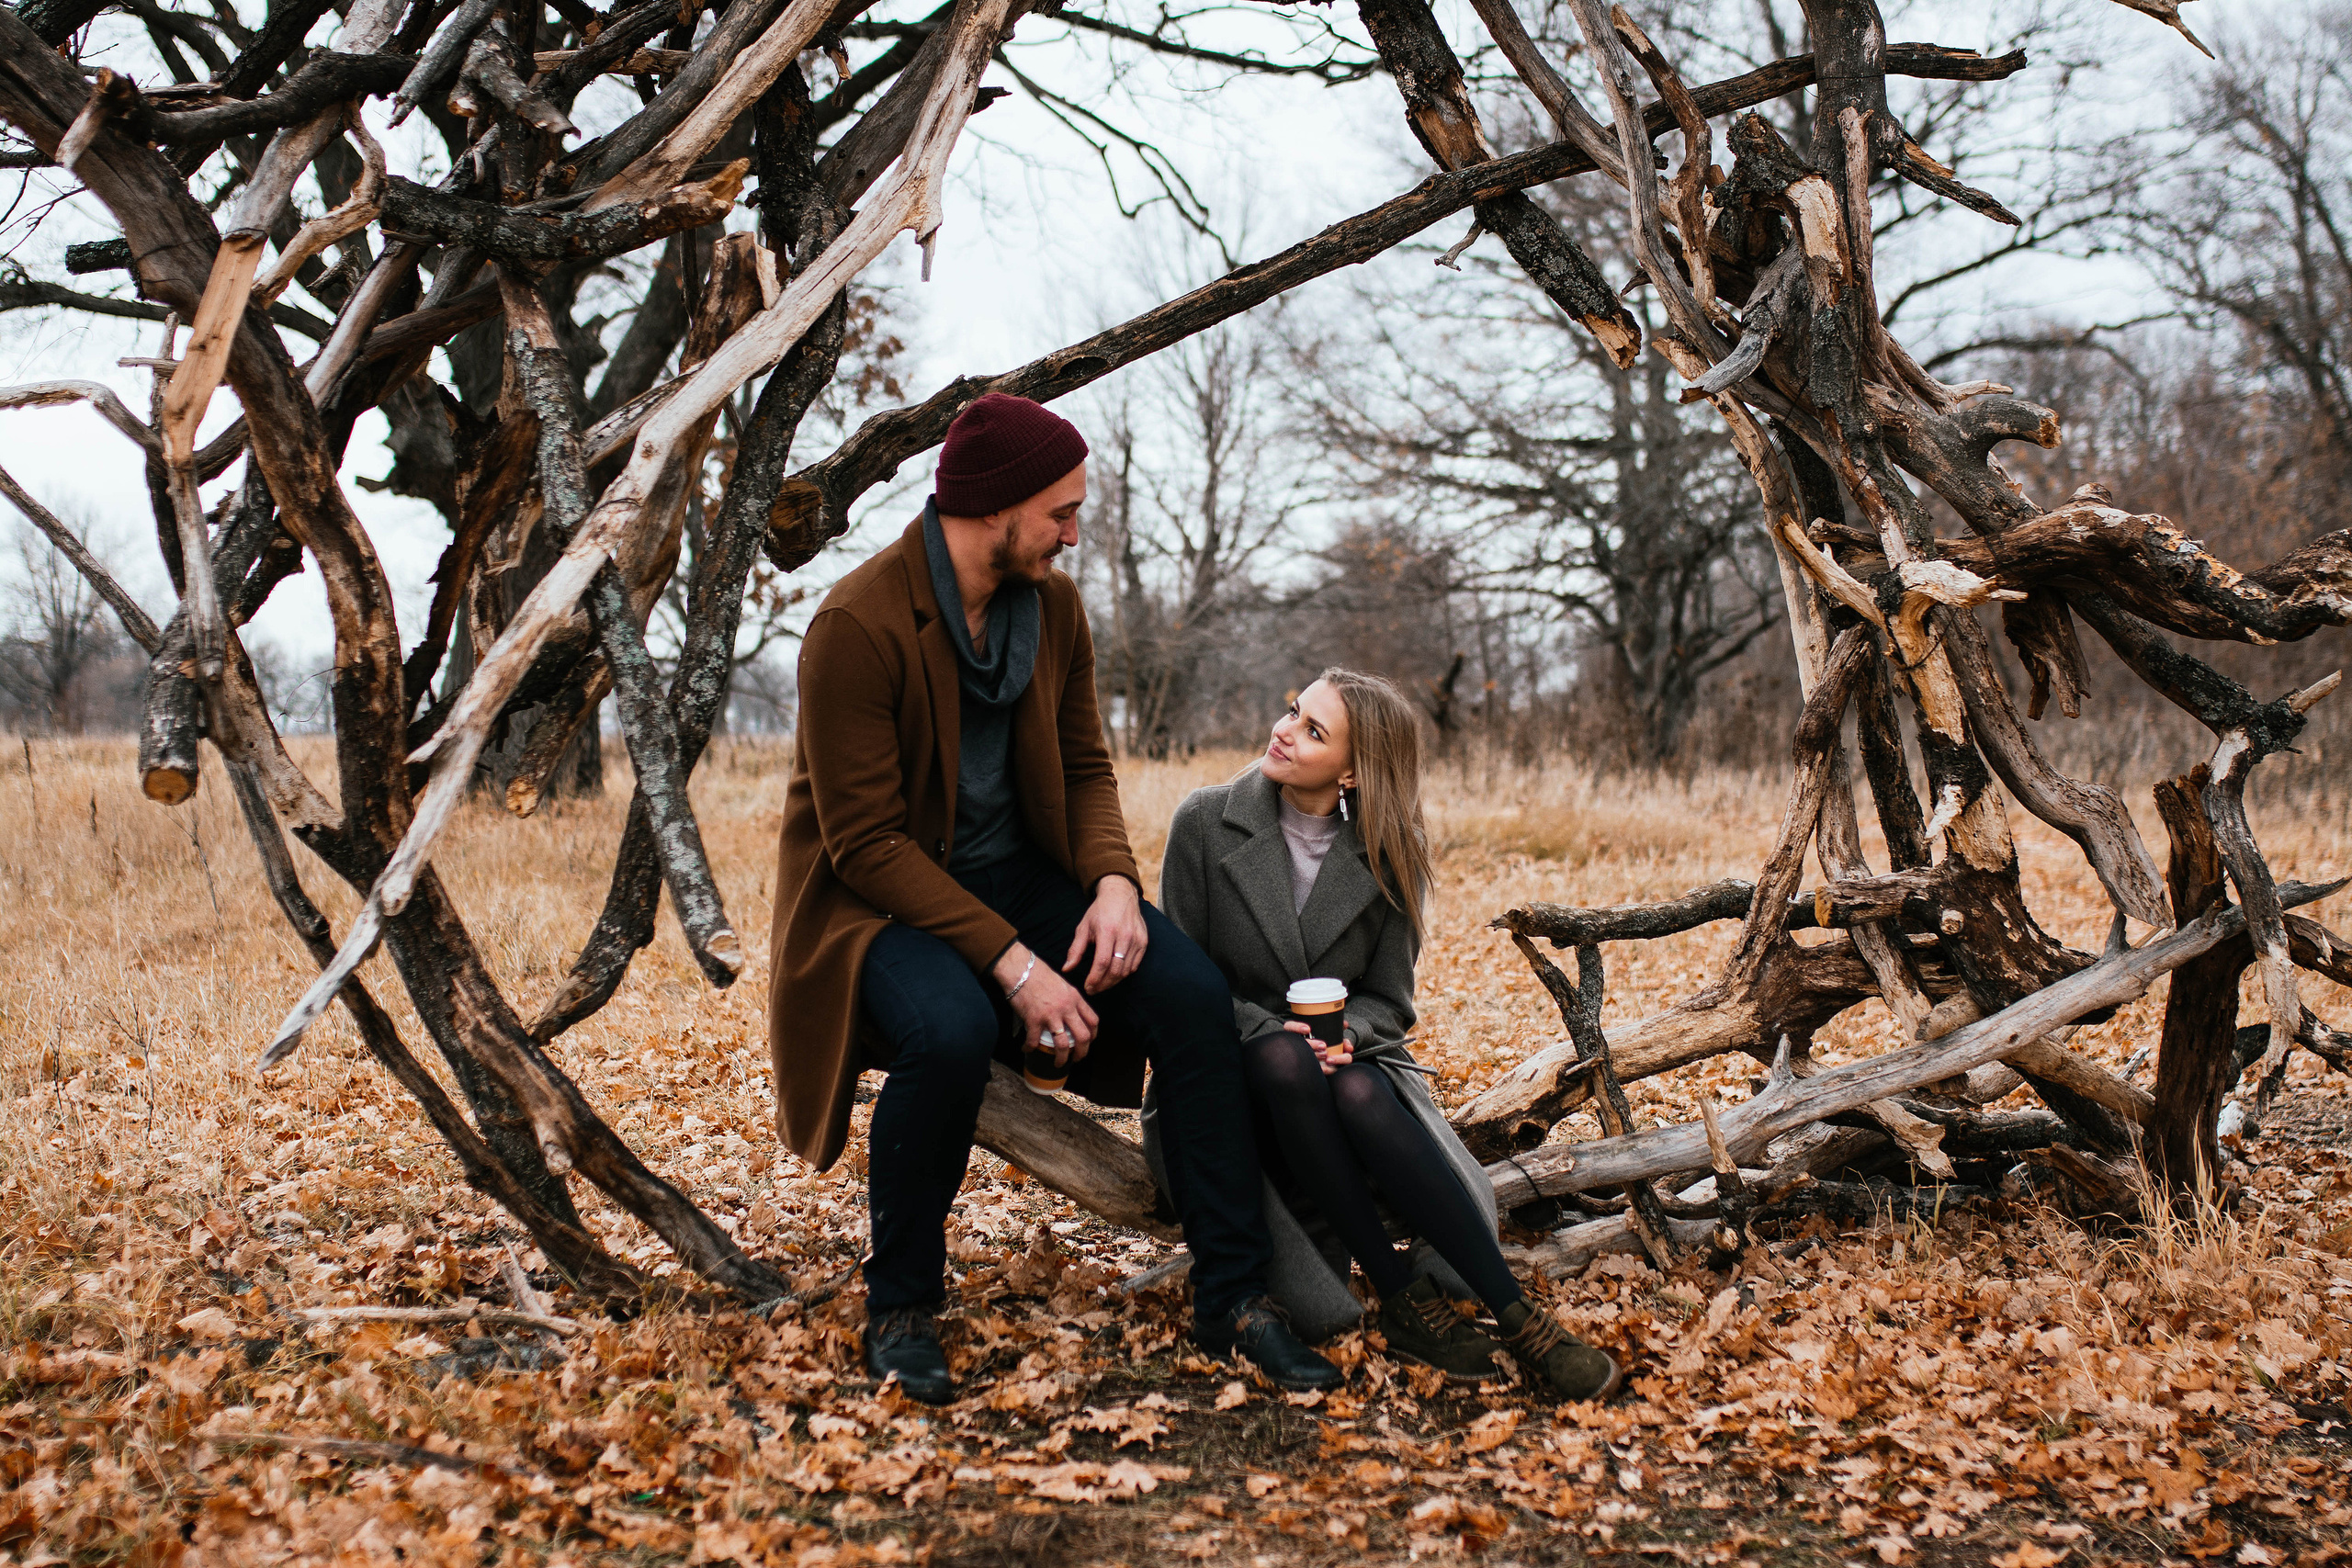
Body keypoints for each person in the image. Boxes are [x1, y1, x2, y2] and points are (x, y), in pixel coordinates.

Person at [765, 393, 1341, 1405]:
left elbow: (1084, 768)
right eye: (1062, 512)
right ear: (994, 506)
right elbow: (865, 843)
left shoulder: (1055, 610)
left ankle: (1234, 1297)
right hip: (879, 909)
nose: (1075, 534)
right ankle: (901, 1307)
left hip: (1021, 880)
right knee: (943, 1033)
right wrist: (1016, 966)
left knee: (1193, 997)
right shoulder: (856, 625)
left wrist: (1114, 885)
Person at [1159, 670, 1621, 1402]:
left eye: (1313, 729)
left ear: (1351, 769)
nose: (1284, 729)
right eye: (1293, 712)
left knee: (1353, 1085)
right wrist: (1271, 1027)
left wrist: (1348, 1035)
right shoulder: (1205, 822)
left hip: (1345, 1074)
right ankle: (1400, 1285)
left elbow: (1388, 1002)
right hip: (1220, 1076)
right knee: (1283, 1058)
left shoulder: (1389, 850)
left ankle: (1517, 1316)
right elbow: (1177, 985)